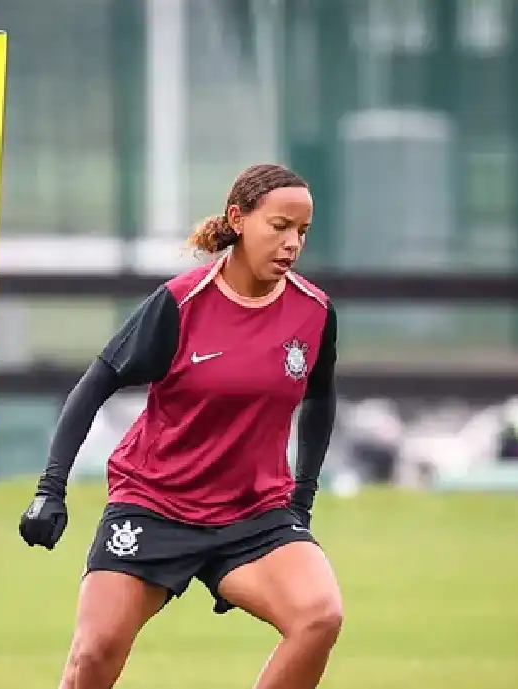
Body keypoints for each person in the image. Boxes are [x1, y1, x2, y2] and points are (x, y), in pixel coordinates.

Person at [19, 163, 343, 689]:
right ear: (238, 219)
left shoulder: (313, 311)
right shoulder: (180, 303)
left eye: (302, 232)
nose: (292, 244)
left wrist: (301, 496)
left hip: (253, 513)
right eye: (279, 226)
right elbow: (95, 384)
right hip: (155, 504)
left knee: (319, 616)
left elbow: (320, 394)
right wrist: (50, 489)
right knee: (95, 652)